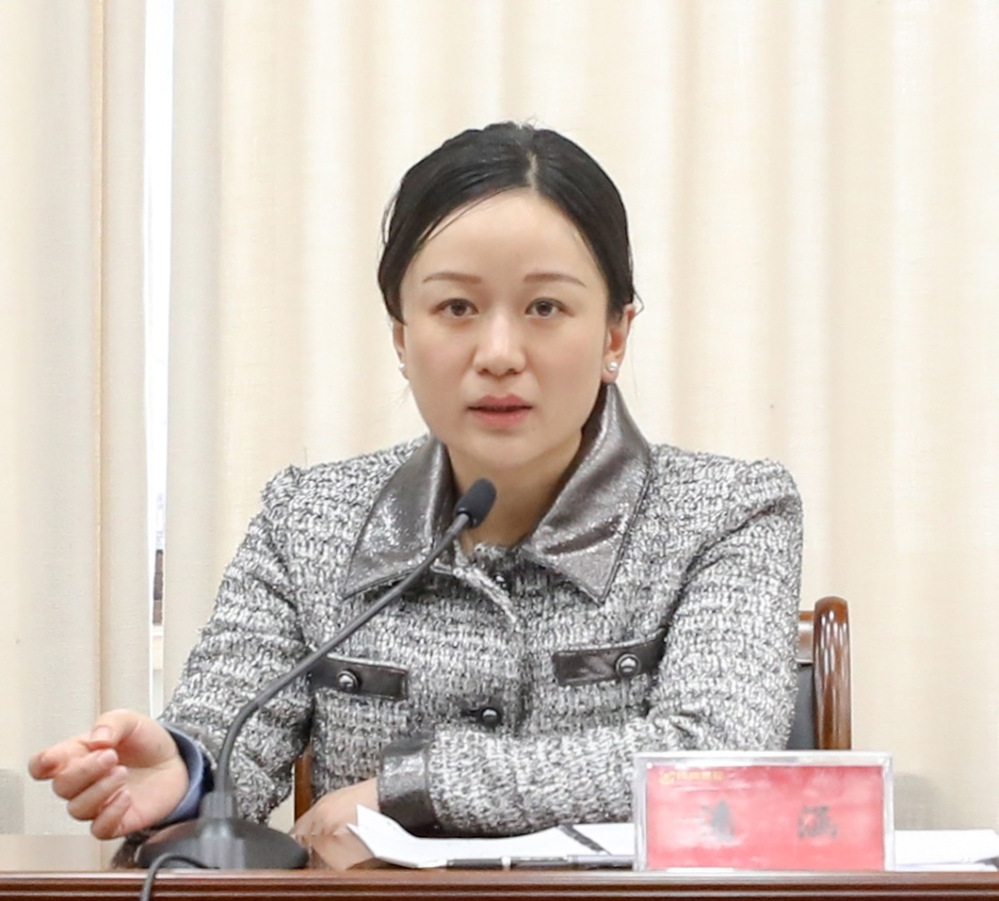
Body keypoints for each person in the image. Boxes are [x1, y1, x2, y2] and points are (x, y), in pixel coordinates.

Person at [30, 122, 802, 848]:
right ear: (402, 336)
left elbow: (716, 758)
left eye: (544, 307)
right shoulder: (307, 519)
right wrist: (184, 775)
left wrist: (415, 787)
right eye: (456, 307)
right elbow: (231, 735)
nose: (498, 352)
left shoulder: (728, 513)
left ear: (614, 334)